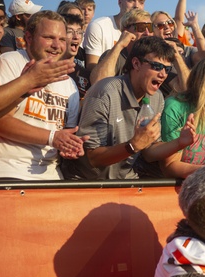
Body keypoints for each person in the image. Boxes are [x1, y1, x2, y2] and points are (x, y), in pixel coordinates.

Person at [62, 36, 195, 180]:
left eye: (167, 69)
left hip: (125, 181)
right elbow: (92, 158)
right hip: (88, 183)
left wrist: (179, 143)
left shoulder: (157, 98)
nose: (163, 74)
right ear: (136, 64)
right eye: (156, 66)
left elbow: (149, 152)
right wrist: (132, 146)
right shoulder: (104, 92)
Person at [0, 10, 87, 180]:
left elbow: (65, 134)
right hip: (9, 171)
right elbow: (0, 122)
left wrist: (70, 146)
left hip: (52, 175)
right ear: (28, 38)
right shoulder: (10, 61)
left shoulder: (69, 83)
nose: (57, 45)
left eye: (62, 39)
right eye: (49, 37)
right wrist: (28, 81)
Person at [83, 0, 146, 71]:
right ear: (120, 2)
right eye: (131, 0)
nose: (137, 6)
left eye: (141, 2)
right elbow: (92, 68)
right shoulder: (99, 26)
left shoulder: (146, 31)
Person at [90, 9, 153, 85]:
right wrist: (119, 45)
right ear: (125, 31)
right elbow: (98, 83)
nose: (147, 33)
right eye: (141, 27)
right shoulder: (115, 56)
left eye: (150, 28)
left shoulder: (154, 58)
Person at [60, 14, 91, 100]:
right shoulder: (48, 69)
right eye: (70, 32)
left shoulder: (85, 75)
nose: (76, 37)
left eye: (79, 32)